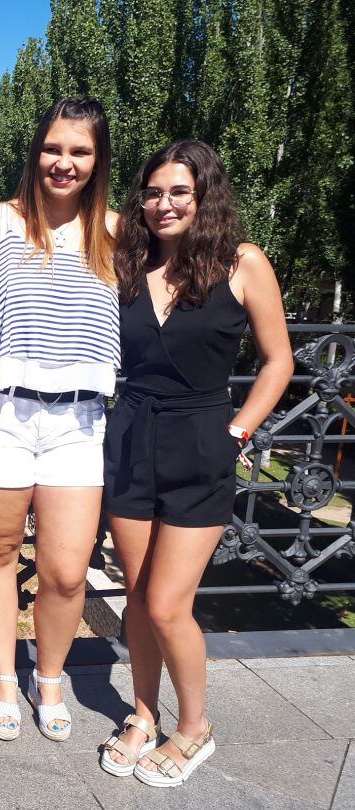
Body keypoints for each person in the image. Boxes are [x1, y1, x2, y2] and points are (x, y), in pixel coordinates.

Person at [99, 140, 292, 786]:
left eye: (178, 191)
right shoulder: (130, 263)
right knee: (135, 594)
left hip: (201, 445)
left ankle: (195, 727)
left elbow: (279, 361)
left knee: (167, 602)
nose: (164, 203)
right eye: (152, 193)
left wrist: (237, 430)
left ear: (204, 194)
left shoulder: (242, 264)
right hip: (130, 441)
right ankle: (145, 714)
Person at [0, 96, 119, 743]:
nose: (64, 162)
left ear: (97, 160)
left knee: (64, 571)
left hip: (79, 424)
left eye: (79, 151)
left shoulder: (118, 232)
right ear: (36, 152)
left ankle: (47, 677)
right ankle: (5, 676)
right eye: (53, 148)